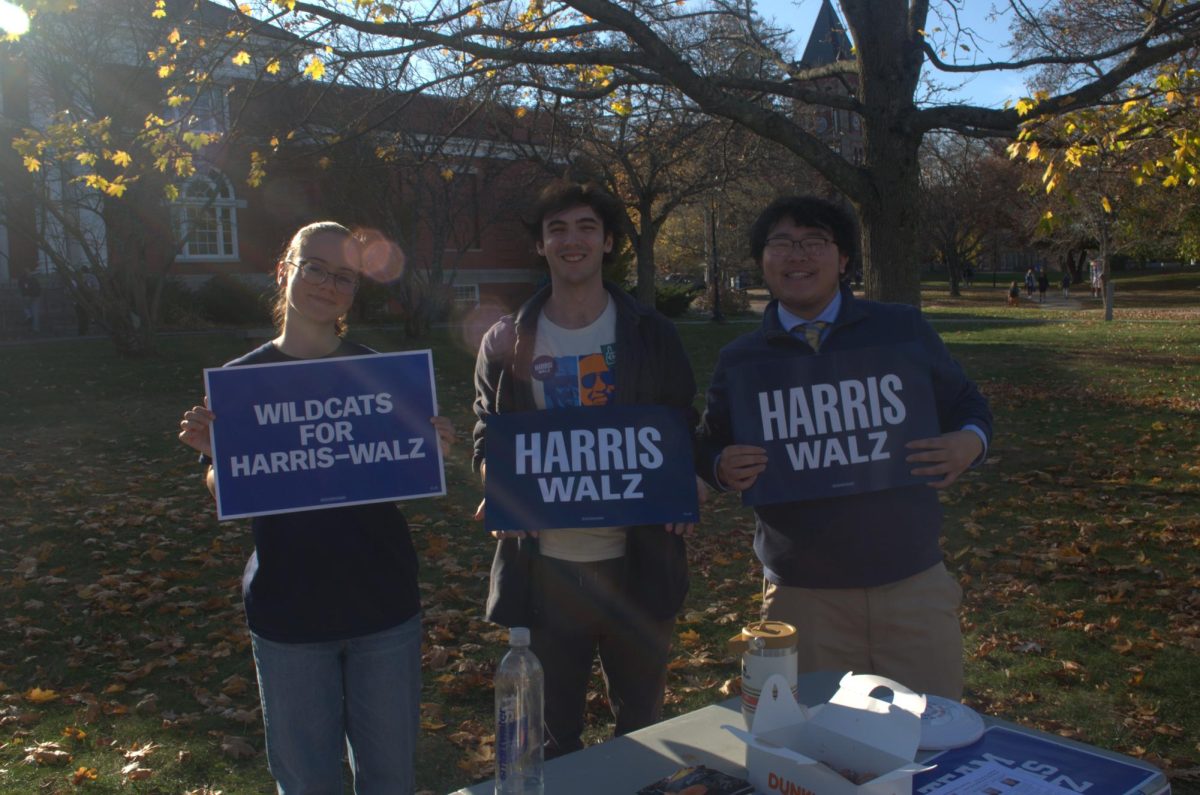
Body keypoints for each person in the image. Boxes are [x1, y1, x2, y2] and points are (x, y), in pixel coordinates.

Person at [177, 221, 453, 794]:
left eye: (345, 277)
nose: (328, 284)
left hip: (382, 603)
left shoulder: (383, 378)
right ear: (285, 271)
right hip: (290, 611)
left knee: (389, 779)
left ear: (354, 291)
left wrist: (427, 452)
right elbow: (232, 492)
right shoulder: (240, 384)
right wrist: (217, 460)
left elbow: (392, 483)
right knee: (307, 783)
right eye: (316, 268)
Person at [696, 196, 992, 700]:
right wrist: (722, 467)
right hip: (800, 596)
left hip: (911, 584)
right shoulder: (742, 360)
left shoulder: (901, 329)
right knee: (811, 754)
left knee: (928, 748)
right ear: (762, 260)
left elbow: (968, 405)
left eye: (814, 243)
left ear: (845, 259)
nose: (798, 256)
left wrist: (969, 443)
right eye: (782, 244)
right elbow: (708, 446)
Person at [472, 180, 701, 758]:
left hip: (639, 563)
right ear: (541, 246)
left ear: (607, 243)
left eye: (585, 227)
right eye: (557, 229)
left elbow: (680, 426)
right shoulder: (505, 342)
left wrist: (684, 489)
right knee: (553, 739)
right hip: (547, 570)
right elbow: (486, 434)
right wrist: (497, 487)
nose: (571, 240)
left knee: (643, 730)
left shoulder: (653, 335)